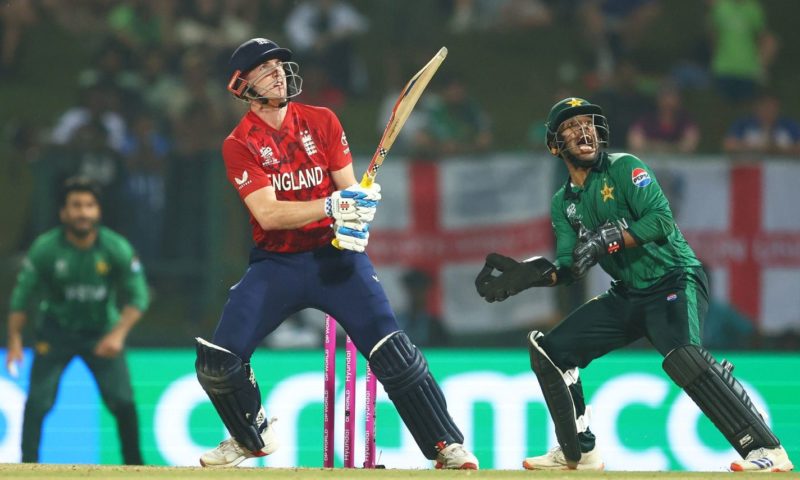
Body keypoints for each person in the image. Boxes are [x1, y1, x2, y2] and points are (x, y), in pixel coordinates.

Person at [194, 38, 478, 470]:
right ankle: (250, 435)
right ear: (241, 84)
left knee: (393, 353)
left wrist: (357, 213)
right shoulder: (240, 144)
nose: (278, 72)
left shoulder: (322, 120)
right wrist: (333, 206)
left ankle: (445, 445)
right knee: (219, 360)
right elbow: (268, 214)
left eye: (280, 64)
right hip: (278, 263)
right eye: (264, 68)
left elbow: (349, 193)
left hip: (336, 259)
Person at [473, 97, 794, 473]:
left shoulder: (626, 167)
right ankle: (580, 452)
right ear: (554, 145)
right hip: (627, 294)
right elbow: (571, 266)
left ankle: (768, 451)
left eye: (588, 123)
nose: (584, 130)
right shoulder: (564, 203)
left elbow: (660, 220)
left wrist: (606, 240)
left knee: (683, 358)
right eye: (571, 126)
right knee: (552, 351)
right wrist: (530, 276)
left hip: (675, 278)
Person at [5, 176, 149, 464]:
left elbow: (139, 297)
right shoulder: (45, 248)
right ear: (63, 213)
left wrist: (118, 335)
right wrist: (15, 339)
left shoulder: (115, 247)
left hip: (101, 333)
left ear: (98, 211)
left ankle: (136, 468)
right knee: (37, 403)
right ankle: (27, 468)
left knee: (123, 402)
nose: (83, 212)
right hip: (55, 332)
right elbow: (23, 297)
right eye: (76, 206)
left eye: (89, 206)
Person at [722, 90, 800, 156]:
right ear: (757, 107)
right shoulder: (743, 124)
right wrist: (757, 148)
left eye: (772, 107)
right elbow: (729, 145)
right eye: (765, 107)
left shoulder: (789, 125)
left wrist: (778, 149)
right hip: (753, 168)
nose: (769, 111)